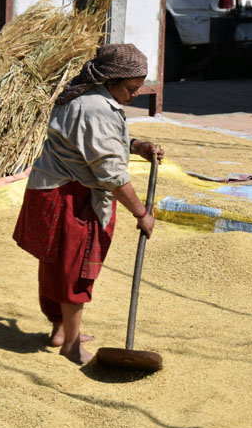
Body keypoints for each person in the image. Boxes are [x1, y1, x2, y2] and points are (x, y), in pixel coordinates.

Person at [12, 43, 164, 365]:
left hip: (55, 187)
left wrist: (136, 145)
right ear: (111, 81)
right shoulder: (95, 108)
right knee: (73, 270)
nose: (136, 94)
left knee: (57, 265)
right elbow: (111, 175)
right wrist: (141, 213)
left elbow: (96, 142)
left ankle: (61, 331)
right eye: (132, 88)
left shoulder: (91, 98)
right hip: (70, 195)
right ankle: (70, 344)